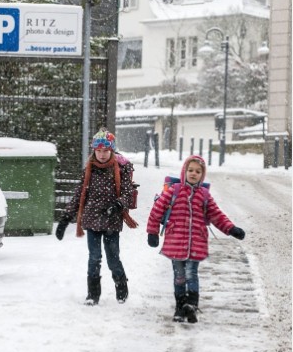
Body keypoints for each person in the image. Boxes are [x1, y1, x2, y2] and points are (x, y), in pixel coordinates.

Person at [147, 155, 245, 324]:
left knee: (191, 275)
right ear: (184, 171)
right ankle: (180, 306)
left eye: (198, 171)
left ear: (202, 174)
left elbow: (216, 215)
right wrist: (152, 233)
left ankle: (191, 306)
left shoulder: (204, 195)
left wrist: (231, 229)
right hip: (175, 242)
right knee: (179, 277)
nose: (193, 174)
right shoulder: (174, 191)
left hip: (196, 243)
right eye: (190, 170)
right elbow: (156, 211)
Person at [56, 128, 137, 305]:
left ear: (112, 151)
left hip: (111, 221)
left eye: (105, 151)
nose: (101, 154)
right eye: (98, 150)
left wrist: (117, 205)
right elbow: (79, 195)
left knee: (112, 258)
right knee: (94, 257)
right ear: (94, 150)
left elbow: (127, 192)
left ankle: (121, 286)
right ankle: (93, 294)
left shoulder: (120, 169)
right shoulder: (89, 170)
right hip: (92, 220)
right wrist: (65, 218)